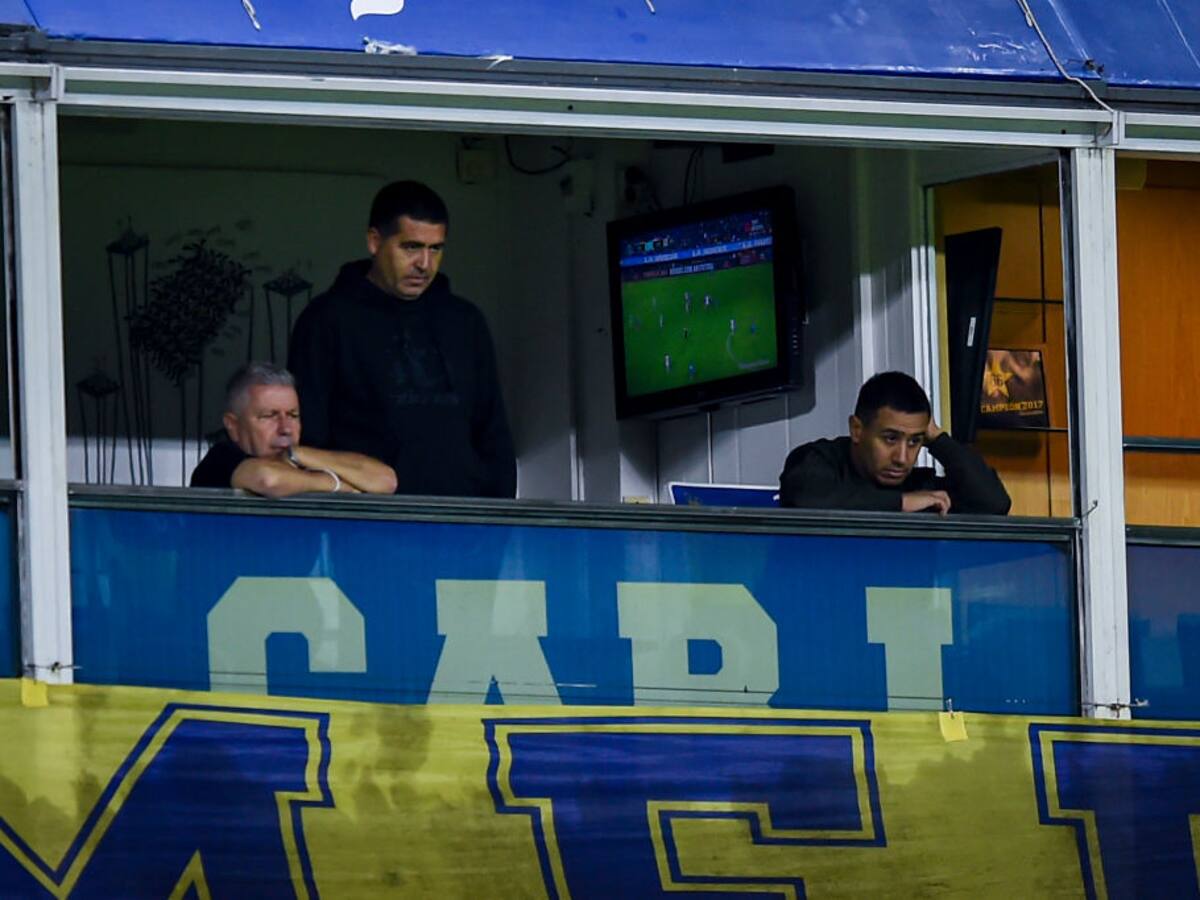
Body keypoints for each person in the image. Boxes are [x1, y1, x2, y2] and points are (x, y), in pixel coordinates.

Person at [288, 180, 516, 498]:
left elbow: (493, 434)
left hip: (464, 524)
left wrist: (500, 522)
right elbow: (310, 438)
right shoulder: (327, 320)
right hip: (366, 523)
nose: (424, 263)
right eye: (411, 247)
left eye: (435, 248)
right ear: (374, 241)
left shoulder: (465, 321)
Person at [779, 371, 1011, 515]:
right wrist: (901, 503)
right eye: (890, 438)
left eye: (914, 441)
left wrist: (938, 438)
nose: (902, 458)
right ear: (857, 430)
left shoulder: (920, 486)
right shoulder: (817, 461)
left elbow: (993, 503)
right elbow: (808, 499)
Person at [191, 362, 398, 497]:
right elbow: (268, 480)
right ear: (233, 426)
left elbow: (386, 481)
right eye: (269, 416)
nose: (285, 429)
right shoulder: (220, 459)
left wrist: (296, 453)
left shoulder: (300, 459)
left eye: (293, 416)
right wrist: (337, 484)